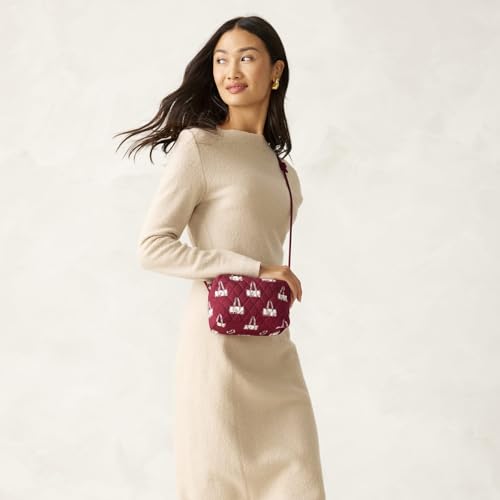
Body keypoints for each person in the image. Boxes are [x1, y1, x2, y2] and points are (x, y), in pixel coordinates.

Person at [114, 15, 326, 500]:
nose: (231, 71)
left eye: (246, 58)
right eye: (221, 60)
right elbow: (153, 246)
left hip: (273, 346)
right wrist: (254, 268)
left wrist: (267, 271)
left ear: (276, 71)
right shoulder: (199, 147)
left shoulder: (284, 170)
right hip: (217, 348)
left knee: (300, 484)